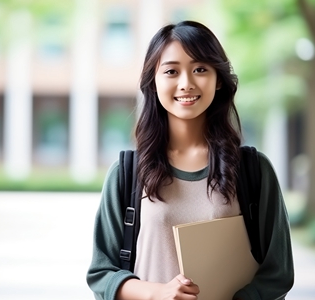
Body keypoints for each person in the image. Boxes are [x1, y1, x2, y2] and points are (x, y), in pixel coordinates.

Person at [86, 21, 294, 300]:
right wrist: (157, 294)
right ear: (153, 81)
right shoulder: (127, 173)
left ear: (218, 79)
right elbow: (101, 274)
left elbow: (278, 273)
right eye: (171, 71)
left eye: (200, 69)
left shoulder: (253, 170)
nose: (186, 84)